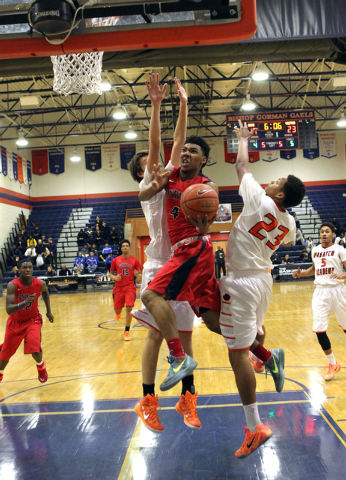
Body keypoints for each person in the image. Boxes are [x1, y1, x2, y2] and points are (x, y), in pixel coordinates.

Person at [219, 120, 306, 458]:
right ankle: (269, 355)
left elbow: (242, 165)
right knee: (236, 333)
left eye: (277, 181)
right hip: (262, 281)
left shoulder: (259, 199)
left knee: (236, 353)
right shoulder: (291, 222)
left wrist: (242, 140)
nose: (270, 181)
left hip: (242, 281)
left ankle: (255, 427)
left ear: (279, 194)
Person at [129, 75, 201, 431]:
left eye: (154, 160)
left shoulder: (174, 179)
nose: (154, 161)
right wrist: (156, 105)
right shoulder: (150, 185)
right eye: (146, 161)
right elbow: (157, 143)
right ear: (141, 171)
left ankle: (188, 400)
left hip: (183, 264)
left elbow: (175, 143)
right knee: (156, 335)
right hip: (158, 264)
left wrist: (184, 105)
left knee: (185, 335)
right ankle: (147, 399)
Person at [140, 133, 221, 392]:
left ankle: (178, 357)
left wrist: (207, 222)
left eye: (193, 151)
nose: (185, 153)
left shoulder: (207, 185)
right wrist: (154, 185)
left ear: (204, 160)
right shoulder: (170, 175)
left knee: (151, 295)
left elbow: (211, 218)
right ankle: (263, 351)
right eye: (184, 150)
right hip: (185, 251)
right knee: (210, 318)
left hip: (193, 247)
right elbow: (143, 196)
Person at [292, 222, 346, 381]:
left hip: (338, 291)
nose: (324, 234)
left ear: (333, 235)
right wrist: (300, 274)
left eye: (327, 231)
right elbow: (313, 270)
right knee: (319, 330)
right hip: (320, 292)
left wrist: (342, 276)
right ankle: (332, 363)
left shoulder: (339, 249)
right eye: (321, 231)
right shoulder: (315, 250)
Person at [0, 259, 54, 383]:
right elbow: (8, 309)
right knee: (5, 355)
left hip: (32, 320)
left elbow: (45, 293)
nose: (28, 269)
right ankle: (0, 373)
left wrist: (48, 311)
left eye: (30, 267)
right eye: (24, 267)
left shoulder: (40, 283)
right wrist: (24, 303)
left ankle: (41, 367)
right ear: (18, 270)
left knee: (34, 346)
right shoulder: (12, 285)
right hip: (15, 322)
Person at [109, 239, 141, 341]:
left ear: (129, 247)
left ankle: (126, 331)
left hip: (130, 287)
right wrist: (114, 278)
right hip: (118, 288)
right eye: (123, 246)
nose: (125, 247)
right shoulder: (115, 260)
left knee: (129, 308)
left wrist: (137, 275)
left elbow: (140, 277)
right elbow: (110, 274)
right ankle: (118, 313)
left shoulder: (135, 260)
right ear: (121, 248)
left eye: (127, 245)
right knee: (117, 310)